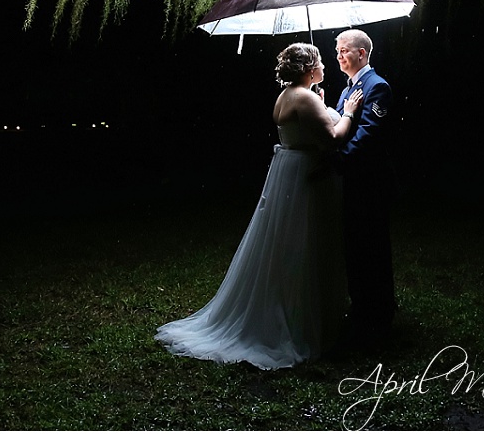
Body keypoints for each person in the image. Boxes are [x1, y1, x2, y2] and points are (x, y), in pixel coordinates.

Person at [155, 43, 363, 370]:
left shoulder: (288, 96)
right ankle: (301, 321)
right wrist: (348, 111)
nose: (324, 65)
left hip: (288, 173)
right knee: (304, 244)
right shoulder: (305, 98)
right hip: (305, 178)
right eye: (320, 61)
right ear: (310, 70)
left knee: (285, 243)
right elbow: (333, 139)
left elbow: (304, 128)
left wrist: (319, 107)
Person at [333, 28, 398, 344]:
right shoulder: (348, 90)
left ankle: (380, 312)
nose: (339, 56)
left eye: (344, 50)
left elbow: (368, 134)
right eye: (337, 51)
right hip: (352, 180)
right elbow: (342, 125)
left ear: (361, 53)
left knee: (372, 243)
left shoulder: (377, 87)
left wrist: (341, 159)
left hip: (369, 179)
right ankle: (361, 306)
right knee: (354, 243)